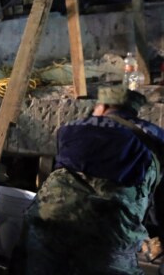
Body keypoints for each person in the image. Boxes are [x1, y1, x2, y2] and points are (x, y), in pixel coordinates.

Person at [13, 86, 164, 275]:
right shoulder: (155, 136)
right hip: (109, 240)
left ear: (102, 106)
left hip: (46, 230)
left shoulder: (71, 127)